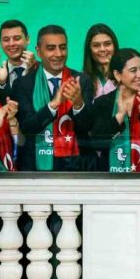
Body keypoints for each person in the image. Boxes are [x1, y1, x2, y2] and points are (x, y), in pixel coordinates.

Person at [12, 25, 94, 171]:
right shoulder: (23, 84)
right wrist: (53, 105)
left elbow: (88, 128)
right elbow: (27, 128)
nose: (58, 54)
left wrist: (78, 104)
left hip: (76, 166)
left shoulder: (82, 80)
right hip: (36, 168)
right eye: (51, 48)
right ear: (38, 51)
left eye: (62, 47)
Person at [91, 49, 140, 172]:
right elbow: (97, 144)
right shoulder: (102, 103)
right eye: (133, 70)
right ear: (117, 75)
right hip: (110, 176)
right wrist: (119, 117)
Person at [0, 19, 38, 102]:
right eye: (6, 40)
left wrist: (31, 72)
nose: (11, 44)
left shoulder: (43, 70)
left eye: (17, 38)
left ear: (27, 40)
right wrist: (0, 83)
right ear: (0, 43)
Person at [82, 23, 119, 99]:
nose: (102, 49)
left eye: (107, 44)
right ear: (89, 49)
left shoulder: (127, 75)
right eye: (96, 45)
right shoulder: (82, 80)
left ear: (114, 46)